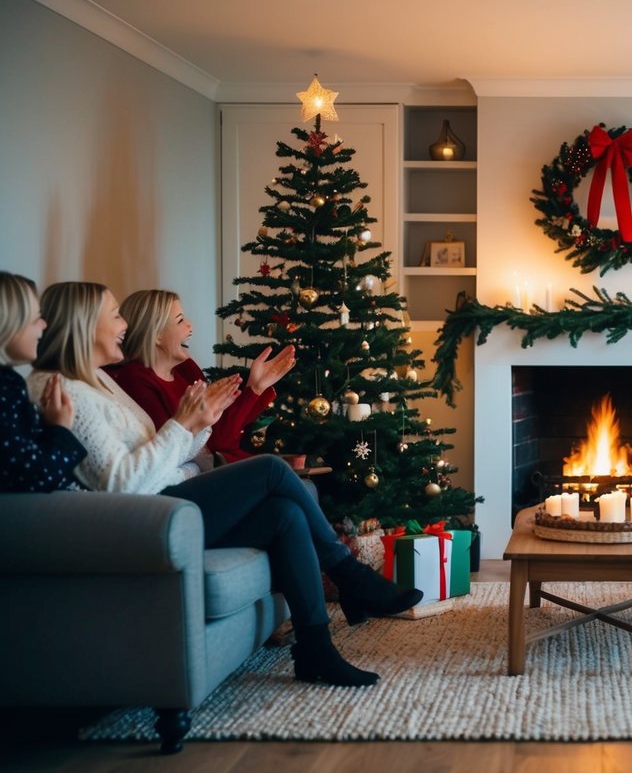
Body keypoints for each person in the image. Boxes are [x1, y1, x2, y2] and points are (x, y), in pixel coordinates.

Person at [26, 281, 423, 688]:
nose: (124, 324)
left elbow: (173, 451)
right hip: (148, 516)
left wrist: (199, 423)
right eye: (114, 315)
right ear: (85, 324)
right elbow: (121, 482)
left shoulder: (98, 382)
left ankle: (315, 649)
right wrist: (184, 427)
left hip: (166, 498)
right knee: (271, 470)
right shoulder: (63, 389)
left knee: (284, 513)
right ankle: (351, 576)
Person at [108, 289, 294, 463]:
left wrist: (256, 387)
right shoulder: (136, 380)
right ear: (156, 335)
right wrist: (253, 390)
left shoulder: (186, 369)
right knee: (277, 469)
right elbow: (212, 443)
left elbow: (222, 428)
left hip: (226, 463)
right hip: (209, 472)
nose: (190, 324)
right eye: (180, 320)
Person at [0, 271, 86, 492]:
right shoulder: (5, 388)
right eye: (36, 318)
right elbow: (33, 474)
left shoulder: (10, 384)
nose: (44, 325)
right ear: (8, 324)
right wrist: (60, 428)